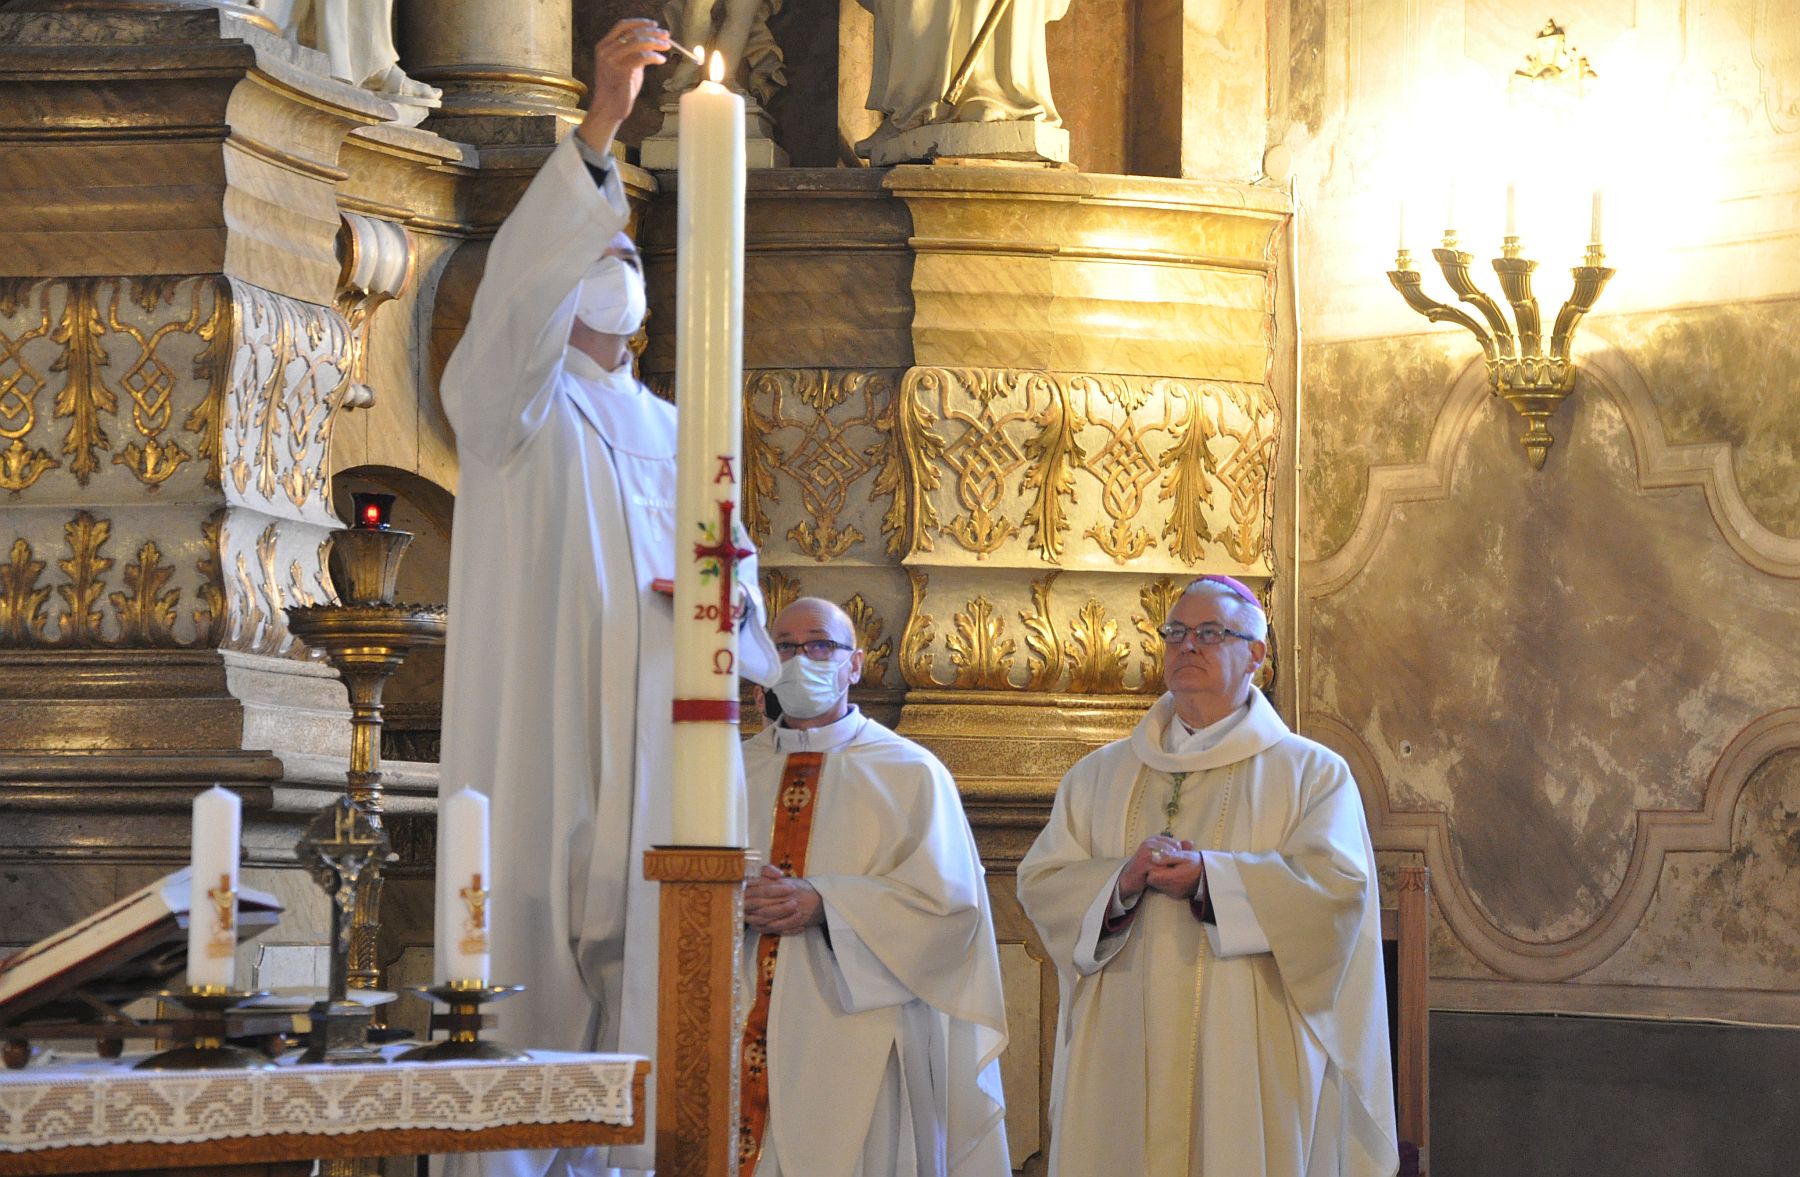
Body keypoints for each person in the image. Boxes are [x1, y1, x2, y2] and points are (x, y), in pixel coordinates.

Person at [436, 20, 774, 1177]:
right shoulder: (508, 407)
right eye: (601, 246)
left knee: (653, 997)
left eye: (629, 250)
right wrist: (600, 128)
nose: (620, 264)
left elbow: (745, 601)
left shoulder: (687, 434)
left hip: (660, 751)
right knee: (528, 983)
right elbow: (514, 307)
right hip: (552, 733)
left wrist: (749, 637)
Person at [1017, 576, 1399, 1177]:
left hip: (1246, 1047)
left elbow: (1338, 895)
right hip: (1122, 1045)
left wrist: (1212, 881)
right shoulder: (1098, 775)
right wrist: (1121, 880)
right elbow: (1042, 883)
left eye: (1210, 633)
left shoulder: (1311, 774)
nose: (1186, 646)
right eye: (1175, 633)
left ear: (1256, 655)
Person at [737, 597, 1012, 1177]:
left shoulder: (909, 772)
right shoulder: (730, 770)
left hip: (856, 1027)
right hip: (732, 1017)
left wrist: (824, 904)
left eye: (819, 645)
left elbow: (950, 911)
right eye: (784, 646)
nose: (799, 659)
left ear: (855, 664)